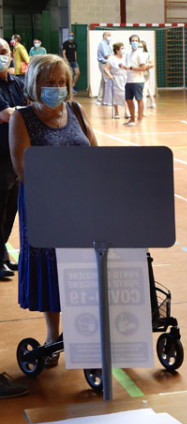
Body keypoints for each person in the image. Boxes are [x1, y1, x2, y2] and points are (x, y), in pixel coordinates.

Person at [9, 54, 98, 370]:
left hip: (80, 204)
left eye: (62, 83)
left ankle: (85, 331)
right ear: (35, 84)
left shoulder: (76, 110)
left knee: (84, 268)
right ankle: (52, 336)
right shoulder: (22, 118)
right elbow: (22, 169)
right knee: (52, 269)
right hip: (43, 205)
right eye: (50, 83)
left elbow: (95, 153)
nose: (57, 88)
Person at [0, 38, 25, 279]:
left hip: (16, 156)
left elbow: (26, 107)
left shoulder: (17, 82)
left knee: (11, 208)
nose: (1, 55)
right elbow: (7, 114)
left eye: (3, 51)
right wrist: (25, 112)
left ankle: (3, 255)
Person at [123, 34, 151, 126]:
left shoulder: (140, 54)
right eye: (132, 40)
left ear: (138, 42)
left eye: (136, 40)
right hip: (129, 80)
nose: (134, 42)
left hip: (138, 81)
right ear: (130, 42)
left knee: (139, 99)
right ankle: (132, 118)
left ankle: (139, 119)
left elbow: (143, 68)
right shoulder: (128, 54)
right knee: (128, 100)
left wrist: (131, 68)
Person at [103, 42, 127, 118]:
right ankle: (116, 112)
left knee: (126, 95)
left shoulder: (126, 57)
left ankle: (127, 112)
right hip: (116, 79)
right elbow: (106, 69)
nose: (123, 50)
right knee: (115, 96)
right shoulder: (111, 58)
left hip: (125, 78)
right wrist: (110, 76)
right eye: (122, 48)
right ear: (117, 50)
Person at [96, 31, 111, 103]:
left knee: (103, 81)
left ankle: (100, 98)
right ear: (104, 36)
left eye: (110, 35)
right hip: (104, 63)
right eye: (108, 35)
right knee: (107, 81)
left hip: (106, 63)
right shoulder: (103, 44)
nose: (109, 36)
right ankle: (107, 99)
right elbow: (106, 55)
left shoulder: (107, 44)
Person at [141, 40, 156, 109]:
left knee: (146, 88)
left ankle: (148, 103)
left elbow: (152, 64)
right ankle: (152, 102)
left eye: (141, 46)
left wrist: (147, 66)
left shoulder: (146, 54)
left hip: (145, 73)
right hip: (140, 72)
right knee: (148, 88)